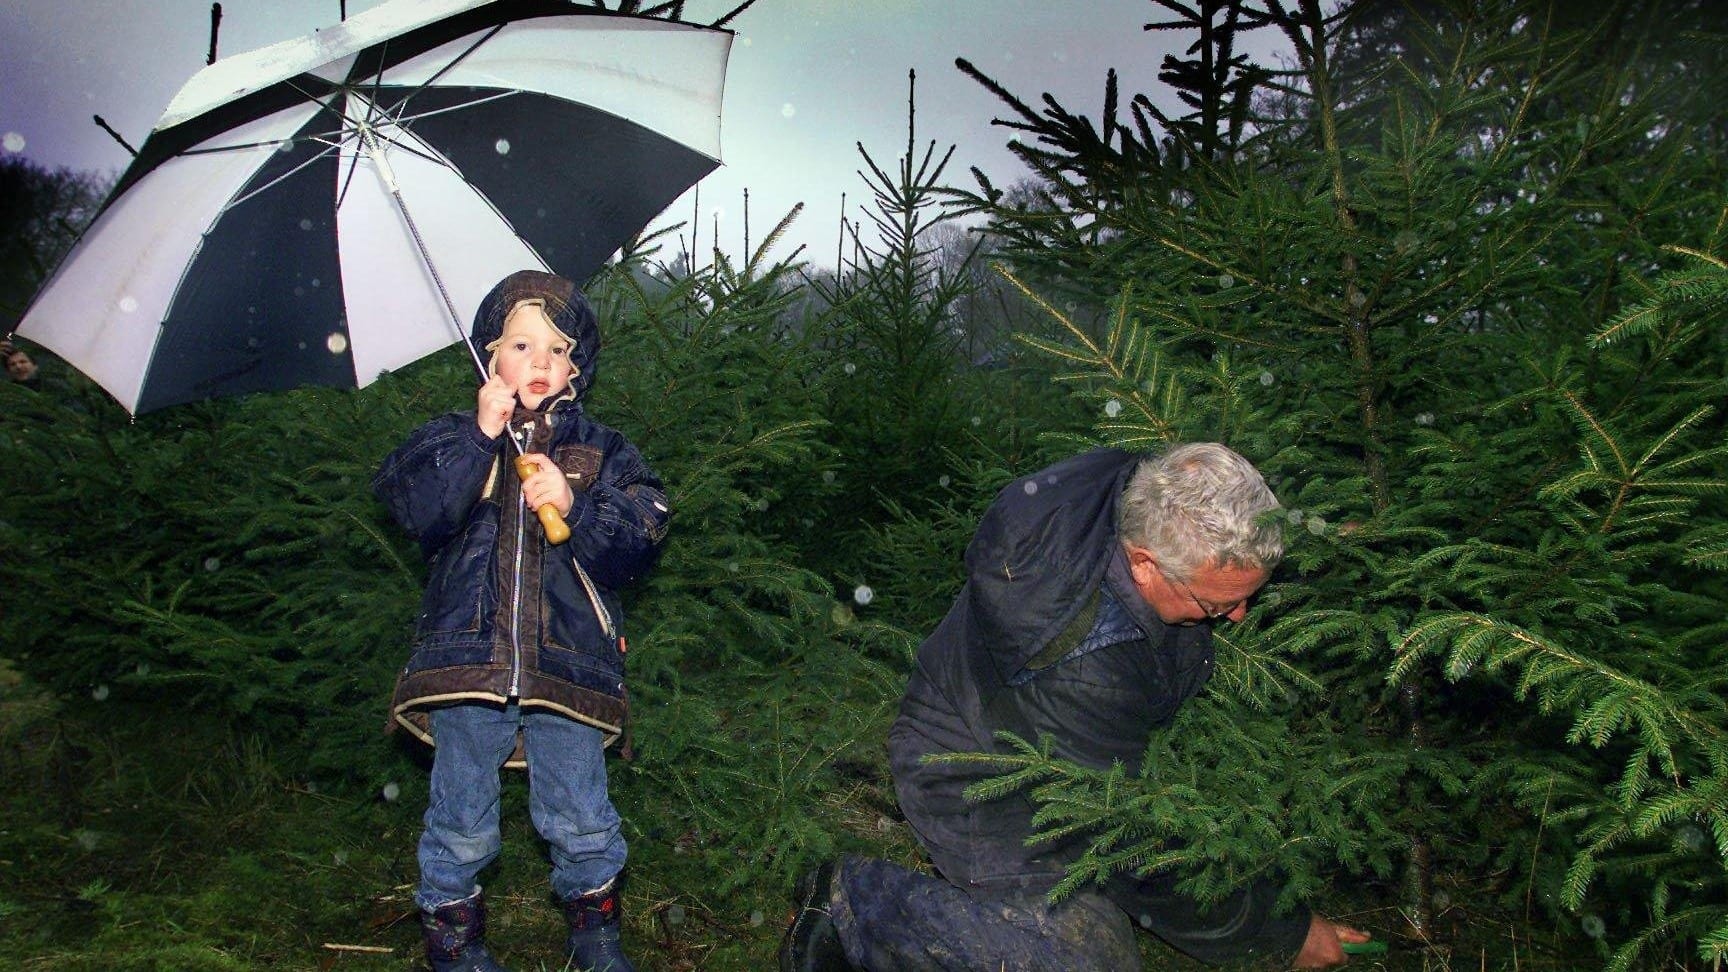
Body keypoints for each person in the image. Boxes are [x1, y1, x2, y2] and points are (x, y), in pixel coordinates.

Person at [781, 444, 1371, 971]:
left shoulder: (1140, 481)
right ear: (1144, 562)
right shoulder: (1085, 665)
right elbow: (1126, 837)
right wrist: (1281, 936)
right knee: (1084, 958)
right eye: (1217, 605)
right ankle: (853, 902)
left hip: (1039, 719)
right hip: (971, 764)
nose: (1237, 619)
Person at [373, 270, 670, 972]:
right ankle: (454, 942)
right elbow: (416, 507)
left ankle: (595, 936)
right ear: (488, 356)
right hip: (467, 665)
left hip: (567, 661)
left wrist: (576, 500)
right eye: (520, 344)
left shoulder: (601, 449)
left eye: (557, 348)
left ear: (578, 366)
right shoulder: (453, 439)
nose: (539, 362)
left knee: (580, 815)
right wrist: (480, 439)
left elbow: (643, 534)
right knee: (461, 817)